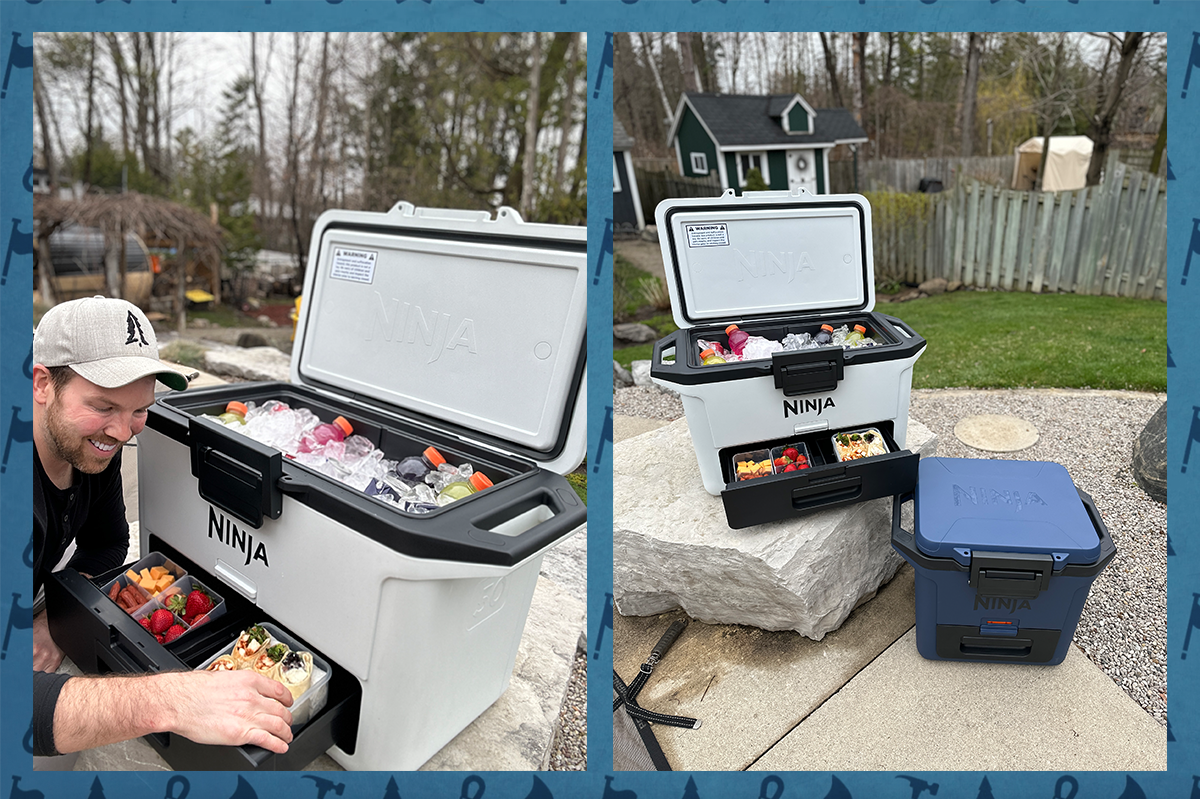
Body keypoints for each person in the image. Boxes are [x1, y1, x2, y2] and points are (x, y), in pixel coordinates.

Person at [31, 296, 294, 758]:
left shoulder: (91, 449)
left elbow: (110, 542)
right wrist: (171, 699)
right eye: (103, 405)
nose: (123, 431)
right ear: (43, 384)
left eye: (139, 409)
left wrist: (58, 615)